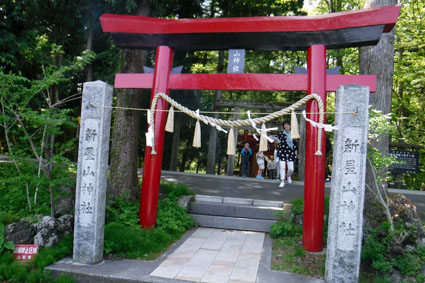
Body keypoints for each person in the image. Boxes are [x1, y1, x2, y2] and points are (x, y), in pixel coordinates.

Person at [275, 120, 298, 188]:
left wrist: (296, 150)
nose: (286, 126)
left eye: (288, 124)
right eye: (285, 124)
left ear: (290, 126)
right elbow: (278, 142)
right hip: (282, 152)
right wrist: (276, 142)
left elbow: (295, 143)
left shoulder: (293, 134)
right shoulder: (281, 134)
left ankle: (288, 176)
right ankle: (282, 181)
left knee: (291, 168)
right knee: (282, 167)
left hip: (290, 152)